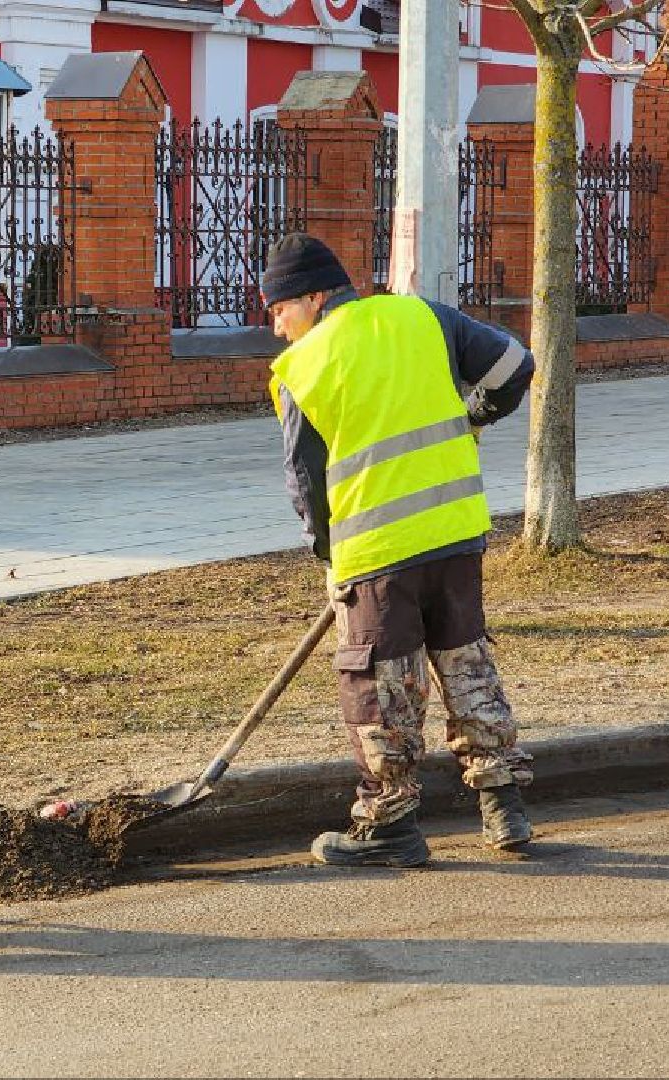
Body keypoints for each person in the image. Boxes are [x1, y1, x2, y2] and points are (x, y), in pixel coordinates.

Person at [260, 233, 536, 868]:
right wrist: (471, 416)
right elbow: (514, 365)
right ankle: (504, 807)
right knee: (467, 666)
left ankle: (389, 826)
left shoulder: (302, 367)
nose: (277, 328)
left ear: (314, 298)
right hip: (456, 532)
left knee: (384, 689)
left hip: (378, 548)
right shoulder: (423, 316)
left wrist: (328, 555)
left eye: (279, 310)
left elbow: (306, 479)